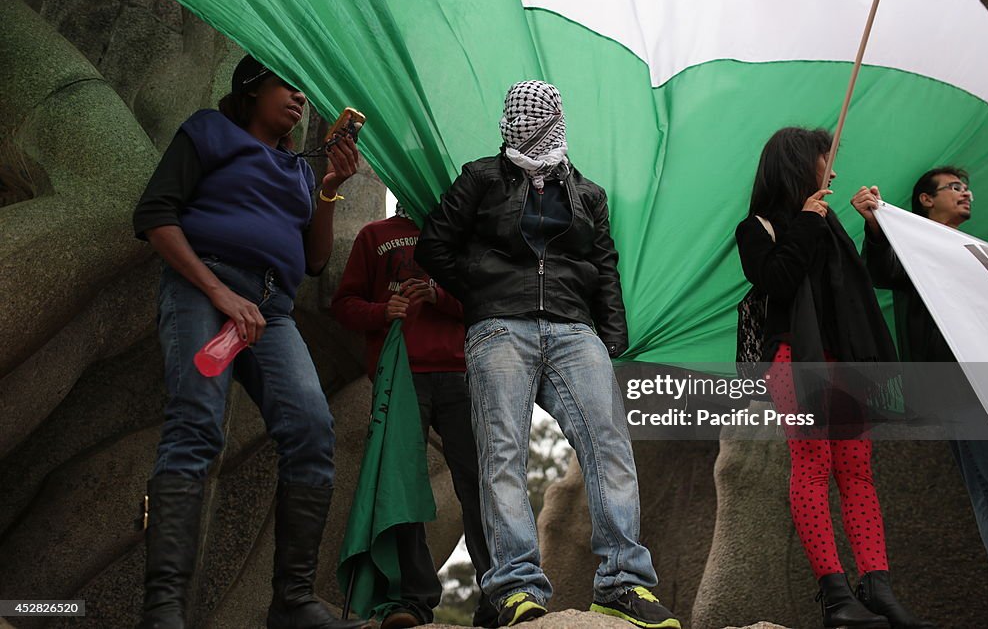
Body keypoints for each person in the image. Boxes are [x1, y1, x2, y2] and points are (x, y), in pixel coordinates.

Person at [414, 81, 679, 629]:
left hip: (574, 331)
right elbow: (432, 245)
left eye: (535, 115)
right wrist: (483, 290)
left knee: (608, 444)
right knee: (502, 453)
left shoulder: (587, 193)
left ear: (556, 117)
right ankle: (514, 588)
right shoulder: (480, 177)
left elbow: (605, 268)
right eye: (518, 115)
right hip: (499, 328)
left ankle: (624, 584)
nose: (526, 124)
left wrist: (611, 340)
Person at [131, 54, 368, 629]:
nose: (299, 98)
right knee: (198, 425)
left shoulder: (299, 170)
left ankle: (291, 602)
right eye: (286, 85)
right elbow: (155, 215)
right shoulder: (208, 130)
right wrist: (219, 293)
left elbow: (313, 260)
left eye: (302, 93)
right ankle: (163, 610)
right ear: (251, 88)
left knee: (312, 430)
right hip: (204, 289)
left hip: (272, 310)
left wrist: (329, 190)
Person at [735, 127, 933, 629]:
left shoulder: (828, 224)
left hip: (842, 359)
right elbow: (777, 279)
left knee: (857, 470)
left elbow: (860, 287)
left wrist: (869, 225)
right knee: (813, 460)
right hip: (792, 357)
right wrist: (805, 221)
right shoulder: (756, 227)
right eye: (827, 159)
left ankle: (879, 589)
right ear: (800, 163)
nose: (834, 169)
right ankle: (836, 594)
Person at [855, 168, 988, 629]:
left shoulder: (977, 254)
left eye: (968, 185)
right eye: (953, 186)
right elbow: (883, 270)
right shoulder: (916, 250)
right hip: (959, 391)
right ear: (925, 201)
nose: (966, 191)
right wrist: (876, 223)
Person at [330, 203, 497, 629]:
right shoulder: (375, 234)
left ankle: (499, 595)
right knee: (399, 486)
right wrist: (380, 312)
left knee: (480, 481)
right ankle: (410, 601)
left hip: (460, 371)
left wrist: (438, 295)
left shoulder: (462, 232)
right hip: (400, 375)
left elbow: (488, 301)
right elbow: (344, 304)